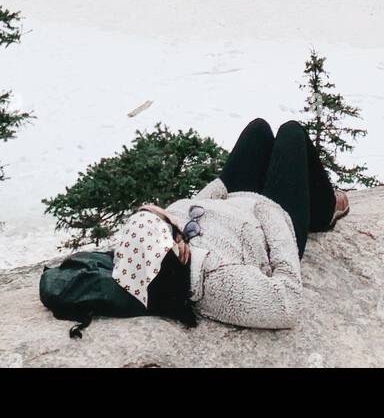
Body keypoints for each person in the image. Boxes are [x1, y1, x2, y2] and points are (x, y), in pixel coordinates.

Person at [111, 118, 349, 330]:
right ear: (179, 249)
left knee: (259, 131)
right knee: (291, 132)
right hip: (272, 223)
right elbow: (286, 306)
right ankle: (324, 212)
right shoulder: (220, 282)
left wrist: (221, 188)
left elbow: (191, 208)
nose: (172, 218)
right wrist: (270, 212)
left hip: (238, 207)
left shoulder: (151, 248)